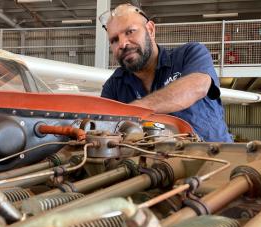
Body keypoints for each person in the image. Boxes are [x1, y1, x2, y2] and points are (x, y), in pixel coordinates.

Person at [99, 4, 232, 142]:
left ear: (150, 30)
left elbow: (197, 86)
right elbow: (102, 129)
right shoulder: (114, 85)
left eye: (130, 32)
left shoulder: (190, 54)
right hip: (152, 162)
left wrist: (130, 111)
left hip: (216, 158)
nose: (122, 44)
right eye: (114, 40)